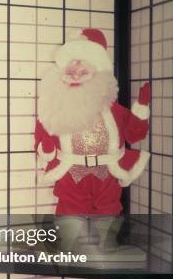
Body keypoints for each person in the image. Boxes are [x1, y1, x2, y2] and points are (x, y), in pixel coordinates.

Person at [34, 28, 150, 249]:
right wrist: (46, 147)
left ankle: (106, 247)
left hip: (107, 172)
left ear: (97, 71)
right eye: (72, 67)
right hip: (71, 172)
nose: (76, 72)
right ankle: (68, 248)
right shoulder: (55, 107)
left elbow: (134, 133)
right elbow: (43, 132)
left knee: (108, 210)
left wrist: (141, 110)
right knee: (69, 208)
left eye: (83, 67)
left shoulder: (112, 108)